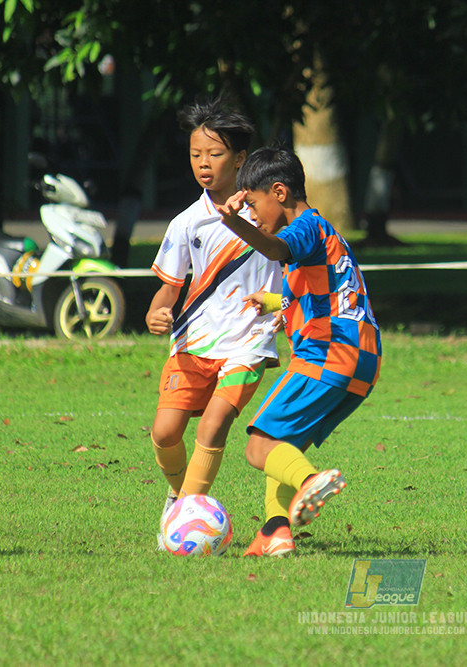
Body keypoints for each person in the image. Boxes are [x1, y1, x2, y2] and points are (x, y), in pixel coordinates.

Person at [216, 146, 382, 558]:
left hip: (331, 351)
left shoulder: (305, 228)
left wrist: (233, 221)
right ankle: (275, 533)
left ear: (280, 192)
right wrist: (271, 302)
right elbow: (307, 294)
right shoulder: (324, 238)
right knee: (280, 444)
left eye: (254, 204)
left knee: (258, 445)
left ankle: (310, 481)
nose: (253, 214)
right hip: (362, 359)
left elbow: (273, 248)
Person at [146, 99, 281, 548]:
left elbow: (295, 262)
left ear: (240, 160)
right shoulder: (186, 223)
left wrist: (283, 306)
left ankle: (186, 519)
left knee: (214, 424)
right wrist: (156, 313)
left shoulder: (265, 215)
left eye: (215, 154)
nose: (203, 164)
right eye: (195, 155)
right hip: (194, 342)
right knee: (165, 432)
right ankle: (181, 496)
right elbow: (168, 290)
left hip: (249, 341)